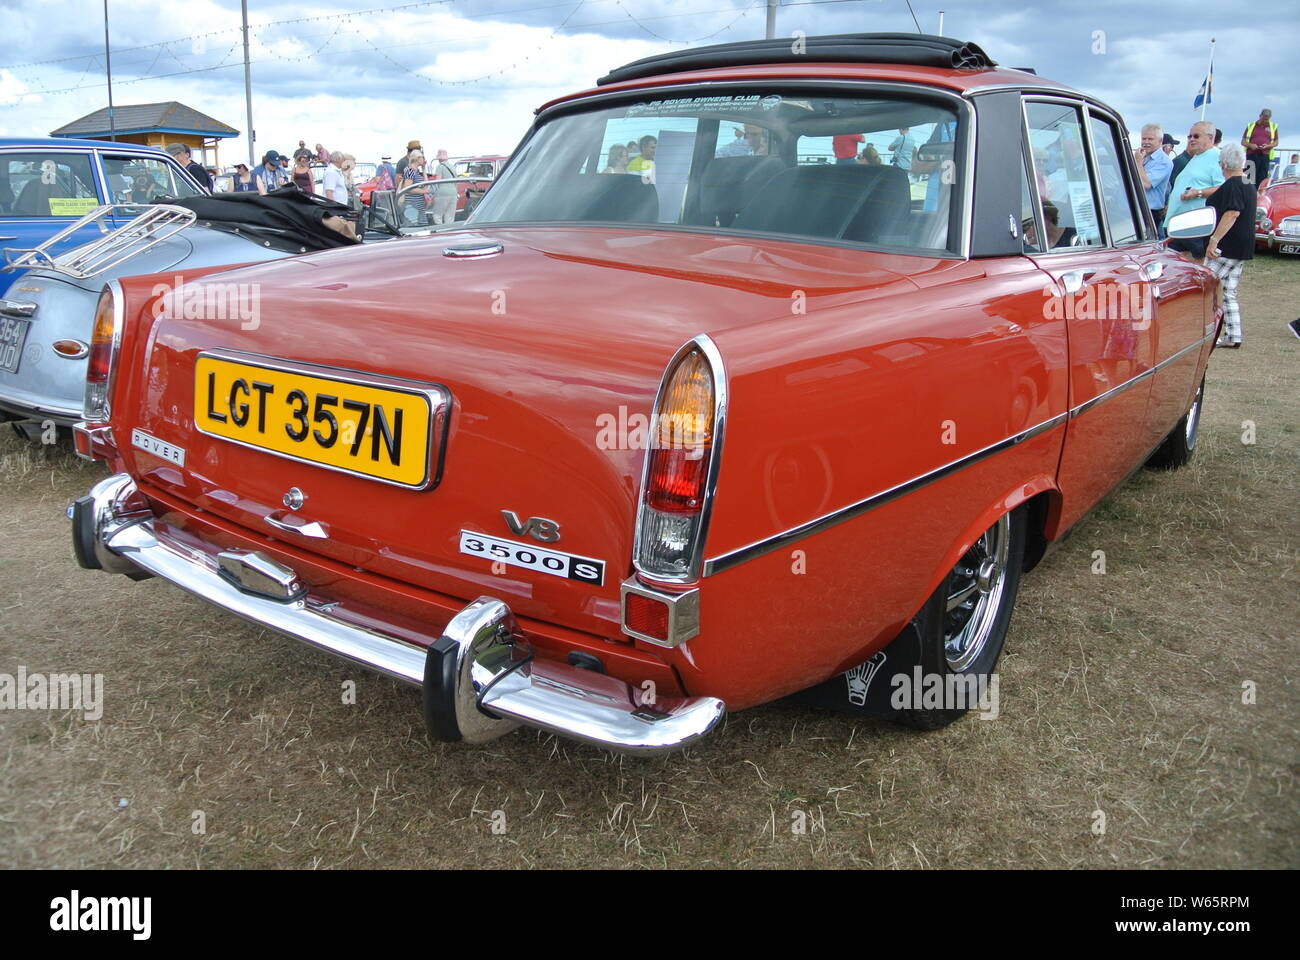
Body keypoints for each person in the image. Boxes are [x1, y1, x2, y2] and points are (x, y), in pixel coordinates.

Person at [1205, 143, 1255, 348]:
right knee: (1228, 291)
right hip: (1243, 247)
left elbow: (1232, 213)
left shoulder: (1233, 185)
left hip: (1227, 247)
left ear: (1223, 164)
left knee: (1204, 286)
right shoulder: (1248, 184)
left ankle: (1204, 331)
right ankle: (1234, 335)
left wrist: (1214, 240)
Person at [1164, 121, 1222, 258]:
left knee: (1197, 264)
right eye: (1189, 136)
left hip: (1194, 224)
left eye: (1196, 136)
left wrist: (1198, 193)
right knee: (1175, 262)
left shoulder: (1216, 157)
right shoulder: (1197, 156)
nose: (1191, 140)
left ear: (1210, 137)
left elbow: (1223, 188)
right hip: (1179, 223)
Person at [1135, 123, 1174, 233]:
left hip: (1149, 211)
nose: (1146, 142)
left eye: (1150, 139)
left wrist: (1138, 163)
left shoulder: (1164, 162)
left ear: (1160, 141)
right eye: (1144, 138)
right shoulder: (1143, 156)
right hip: (1135, 208)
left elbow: (1146, 184)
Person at [1241, 108, 1278, 186]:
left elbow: (1276, 142)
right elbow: (1243, 141)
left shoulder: (1273, 127)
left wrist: (1268, 146)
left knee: (1262, 179)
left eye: (1266, 119)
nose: (1265, 121)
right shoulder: (1251, 125)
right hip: (1251, 155)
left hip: (1264, 156)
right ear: (1260, 116)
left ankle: (1259, 196)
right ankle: (1248, 196)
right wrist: (1251, 145)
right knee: (1248, 179)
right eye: (1263, 119)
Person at [428, 149, 458, 224]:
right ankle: (449, 232)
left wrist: (434, 196)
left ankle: (439, 230)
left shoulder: (439, 167)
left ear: (439, 158)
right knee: (450, 216)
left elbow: (438, 181)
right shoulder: (453, 167)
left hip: (443, 192)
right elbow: (456, 182)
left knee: (437, 215)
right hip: (453, 192)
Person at [399, 149, 428, 224]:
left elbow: (426, 184)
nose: (424, 159)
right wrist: (424, 191)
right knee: (414, 226)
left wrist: (424, 169)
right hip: (412, 205)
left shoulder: (416, 171)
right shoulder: (410, 171)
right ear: (418, 158)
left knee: (422, 225)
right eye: (422, 157)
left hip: (418, 205)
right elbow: (408, 188)